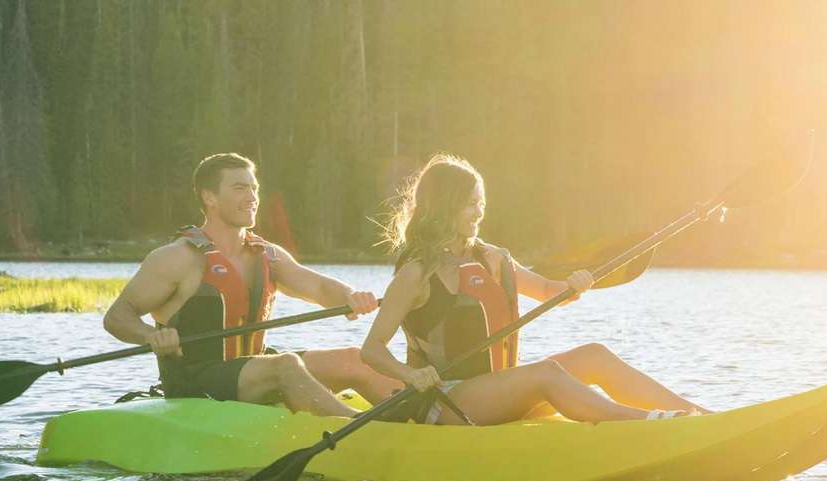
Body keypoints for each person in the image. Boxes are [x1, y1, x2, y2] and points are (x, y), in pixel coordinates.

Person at [360, 154, 710, 425]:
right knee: (544, 374)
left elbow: (546, 289)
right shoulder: (416, 273)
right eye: (470, 204)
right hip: (447, 401)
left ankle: (701, 417)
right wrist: (410, 375)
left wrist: (573, 285)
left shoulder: (493, 258)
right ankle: (644, 424)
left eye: (481, 203)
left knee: (594, 354)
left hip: (500, 390)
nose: (479, 213)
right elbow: (372, 350)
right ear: (445, 207)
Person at [104, 153, 402, 416]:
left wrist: (350, 296)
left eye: (254, 188)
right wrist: (149, 336)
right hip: (196, 381)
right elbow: (117, 316)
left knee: (354, 359)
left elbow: (321, 289)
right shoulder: (176, 258)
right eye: (239, 188)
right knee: (285, 365)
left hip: (255, 372)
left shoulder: (268, 255)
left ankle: (429, 420)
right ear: (210, 198)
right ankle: (357, 430)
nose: (252, 197)